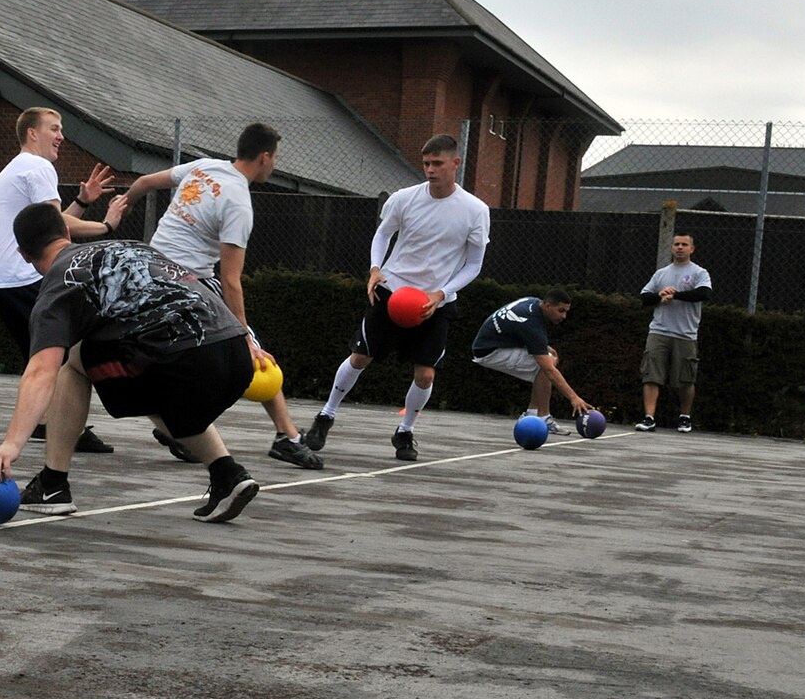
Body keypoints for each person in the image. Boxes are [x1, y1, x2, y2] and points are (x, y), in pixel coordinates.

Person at [0, 203, 260, 523]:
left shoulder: (59, 284)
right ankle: (228, 475)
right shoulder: (131, 246)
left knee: (75, 361)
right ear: (67, 232)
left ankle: (53, 485)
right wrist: (249, 340)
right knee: (145, 377)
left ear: (23, 254)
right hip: (236, 352)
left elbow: (41, 371)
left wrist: (11, 445)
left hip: (181, 360)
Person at [115, 122, 321, 470]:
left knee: (141, 358)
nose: (274, 165)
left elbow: (145, 183)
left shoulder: (204, 166)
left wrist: (126, 206)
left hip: (148, 275)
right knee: (258, 357)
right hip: (189, 281)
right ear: (265, 157)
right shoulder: (239, 201)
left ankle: (172, 429)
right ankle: (287, 437)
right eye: (275, 159)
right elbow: (231, 279)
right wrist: (245, 336)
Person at [305, 133, 490, 463]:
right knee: (360, 357)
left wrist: (442, 293)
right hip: (392, 293)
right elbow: (383, 234)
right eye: (426, 164)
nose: (431, 170)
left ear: (455, 164)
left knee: (426, 374)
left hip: (434, 303)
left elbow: (474, 264)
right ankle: (325, 417)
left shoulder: (475, 210)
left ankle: (405, 431)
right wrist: (376, 269)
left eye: (438, 163)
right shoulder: (404, 199)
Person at [0, 106, 129, 453]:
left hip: (2, 279)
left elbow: (49, 226)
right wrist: (107, 226)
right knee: (71, 353)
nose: (61, 136)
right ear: (32, 133)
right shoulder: (38, 165)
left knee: (49, 355)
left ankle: (46, 424)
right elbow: (61, 229)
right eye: (54, 128)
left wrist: (81, 201)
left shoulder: (19, 167)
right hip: (20, 275)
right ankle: (66, 429)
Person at [471, 290, 593, 431]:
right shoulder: (531, 323)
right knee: (547, 365)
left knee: (547, 359)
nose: (564, 316)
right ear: (547, 306)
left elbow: (515, 328)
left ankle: (532, 416)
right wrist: (574, 398)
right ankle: (543, 418)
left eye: (566, 312)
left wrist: (543, 347)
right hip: (490, 351)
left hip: (490, 344)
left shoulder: (532, 302)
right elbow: (549, 370)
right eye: (561, 311)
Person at [636, 232, 712, 433]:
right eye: (676, 244)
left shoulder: (699, 273)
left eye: (684, 244)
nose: (680, 247)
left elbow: (704, 293)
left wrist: (675, 295)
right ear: (671, 248)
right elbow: (644, 297)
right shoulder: (661, 274)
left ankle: (685, 417)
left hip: (685, 334)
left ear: (691, 249)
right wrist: (660, 296)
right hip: (659, 331)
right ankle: (649, 417)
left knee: (686, 378)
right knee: (651, 374)